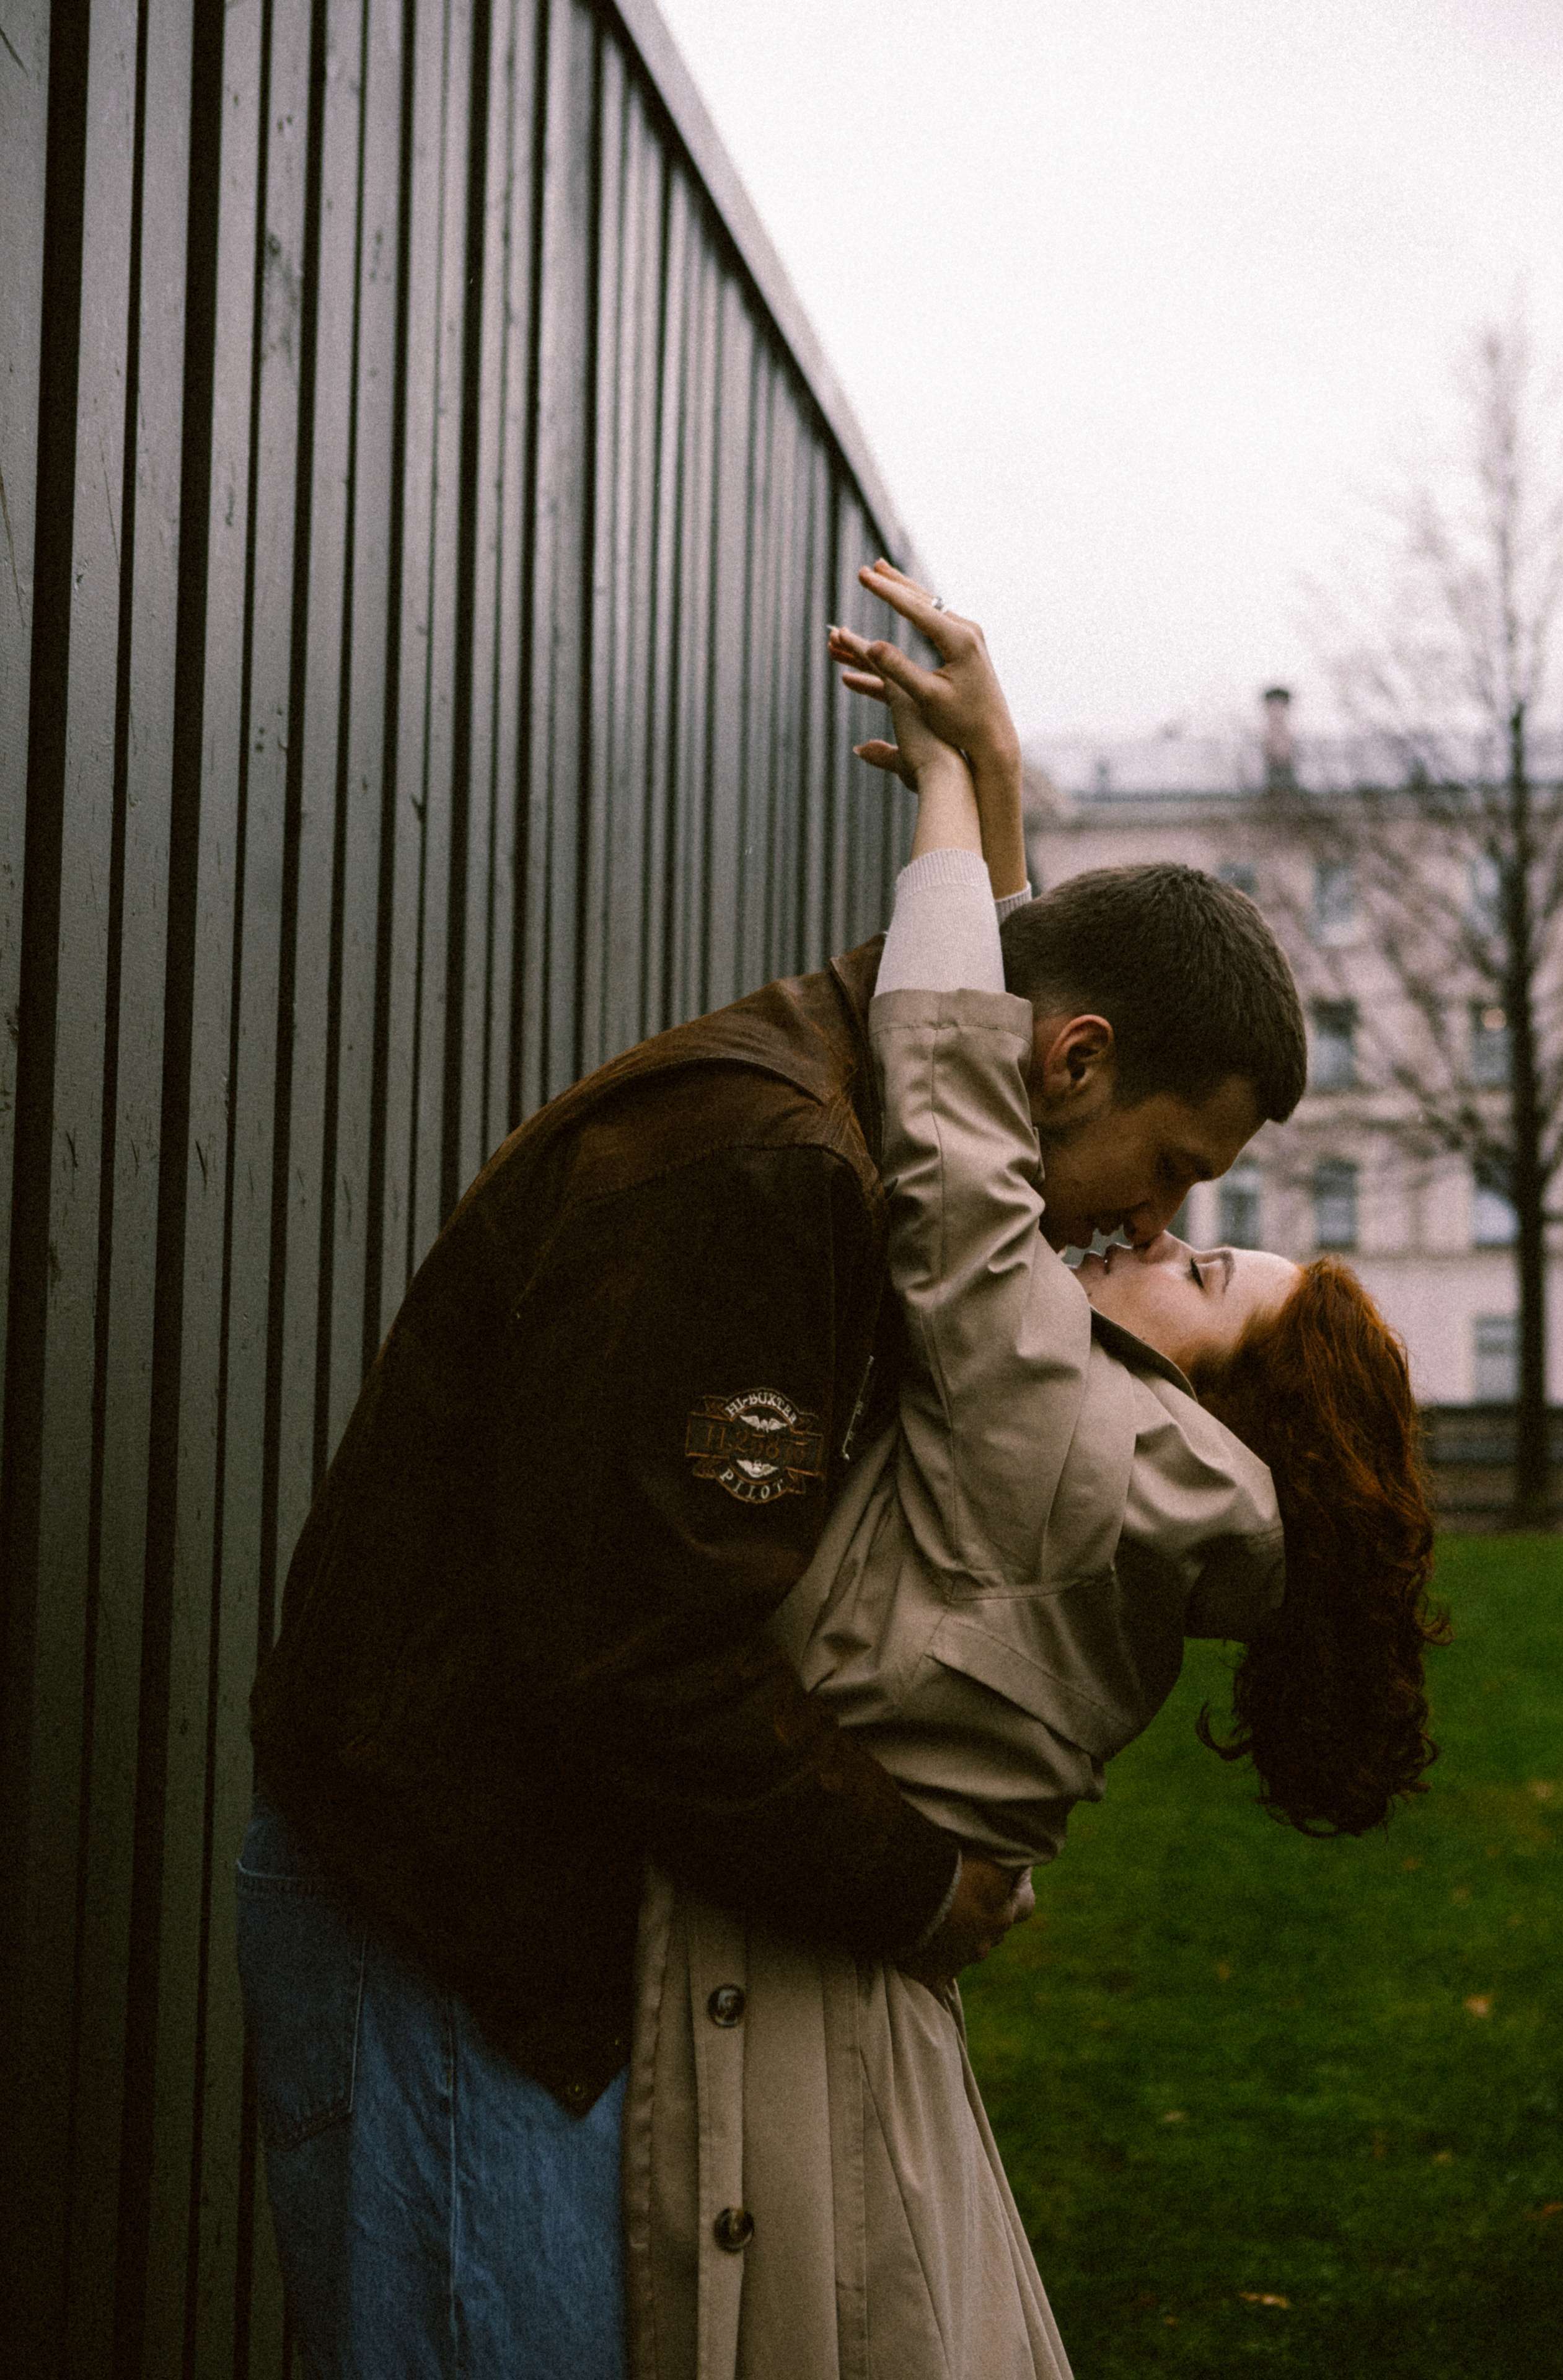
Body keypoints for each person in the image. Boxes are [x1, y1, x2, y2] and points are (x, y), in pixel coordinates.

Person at [237, 573, 1310, 2379]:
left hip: (528, 1932)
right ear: (1079, 1059)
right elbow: (635, 1654)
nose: (1152, 1218)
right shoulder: (763, 1170)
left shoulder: (846, 1135)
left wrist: (991, 819)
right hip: (462, 1928)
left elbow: (977, 1112)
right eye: (1172, 1165)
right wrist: (922, 1885)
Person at [623, 594, 1443, 2378]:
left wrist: (944, 793)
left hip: (801, 2014)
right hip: (842, 1978)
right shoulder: (1139, 1471)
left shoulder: (1097, 1461)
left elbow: (959, 1119)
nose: (1162, 1234)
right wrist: (1005, 788)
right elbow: (1039, 1086)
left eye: (1209, 1271)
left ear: (1222, 1420)